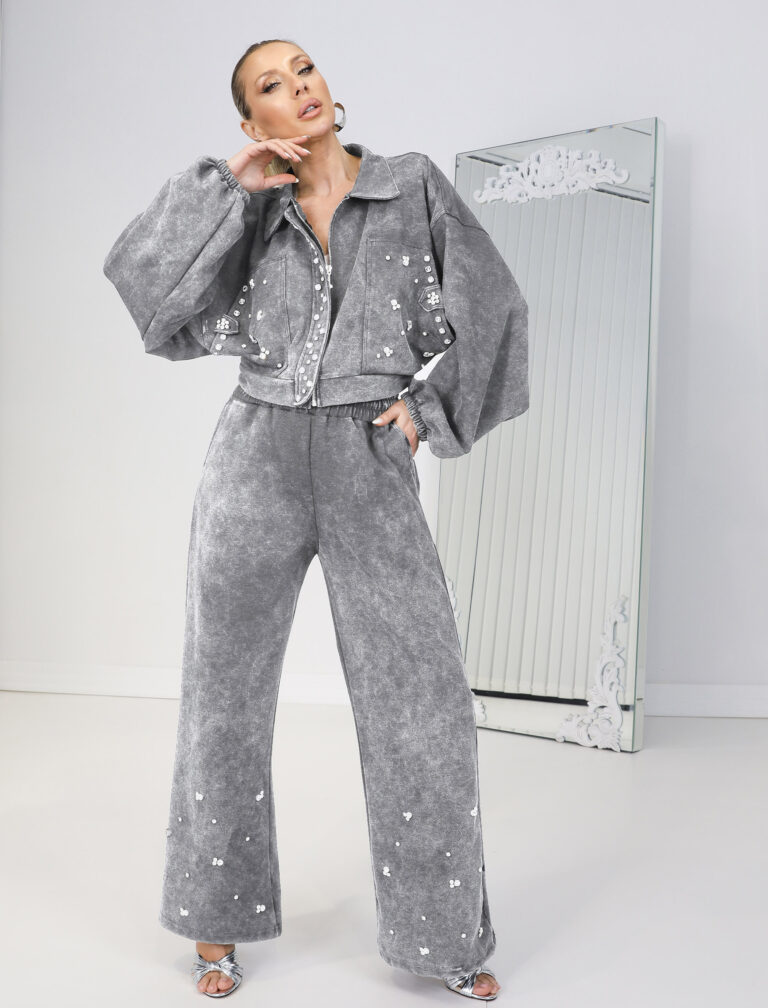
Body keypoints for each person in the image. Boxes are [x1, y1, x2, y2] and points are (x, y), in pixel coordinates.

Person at [103, 37, 529, 1002]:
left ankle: (445, 936)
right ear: (252, 120)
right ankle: (214, 923)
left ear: (327, 89)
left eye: (303, 70)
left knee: (420, 700)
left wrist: (426, 412)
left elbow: (498, 307)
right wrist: (231, 181)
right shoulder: (249, 207)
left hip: (367, 455)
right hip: (252, 460)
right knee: (222, 696)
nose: (297, 87)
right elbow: (143, 287)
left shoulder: (411, 186)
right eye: (270, 85)